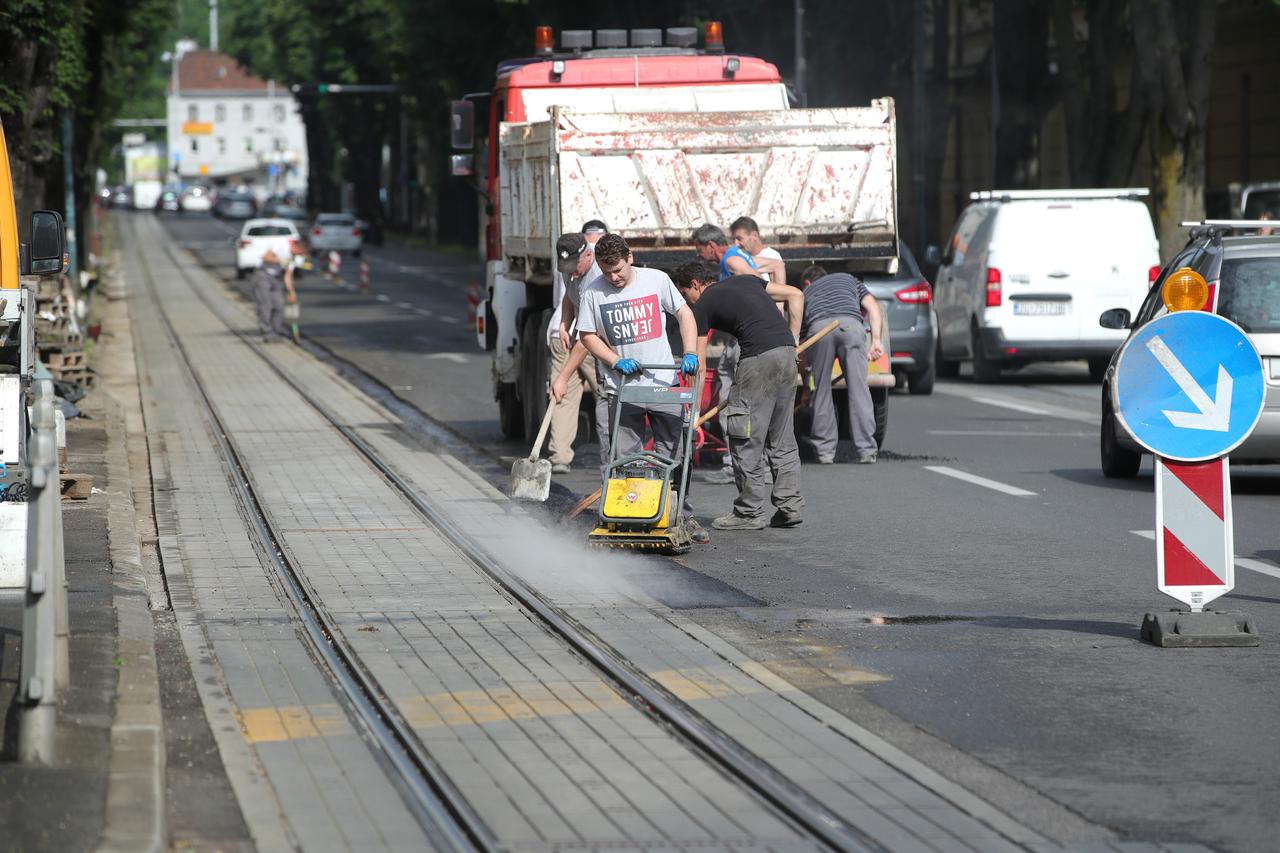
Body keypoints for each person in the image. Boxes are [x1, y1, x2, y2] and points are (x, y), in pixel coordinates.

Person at [576, 234, 708, 544]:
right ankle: (629, 514)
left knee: (675, 453)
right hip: (623, 388)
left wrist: (689, 351)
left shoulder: (656, 280)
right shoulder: (594, 293)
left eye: (618, 270)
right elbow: (587, 334)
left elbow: (684, 313)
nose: (614, 277)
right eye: (607, 271)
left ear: (630, 258)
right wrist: (613, 360)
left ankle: (680, 515)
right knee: (625, 457)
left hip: (664, 383)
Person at [673, 260, 805, 531]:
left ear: (695, 285)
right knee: (782, 437)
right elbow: (796, 294)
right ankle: (789, 506)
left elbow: (698, 361)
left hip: (757, 359)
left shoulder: (703, 306)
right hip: (785, 354)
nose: (688, 301)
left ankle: (748, 512)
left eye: (686, 294)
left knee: (743, 434)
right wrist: (794, 341)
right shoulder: (748, 280)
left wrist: (694, 409)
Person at [797, 265, 884, 464]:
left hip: (819, 330)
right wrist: (876, 340)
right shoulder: (849, 278)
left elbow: (802, 348)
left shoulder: (806, 292)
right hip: (850, 326)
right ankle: (866, 451)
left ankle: (825, 452)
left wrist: (806, 386)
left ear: (808, 283)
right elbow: (872, 307)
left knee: (821, 391)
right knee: (858, 389)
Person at [545, 233, 600, 473]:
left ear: (589, 254)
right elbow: (569, 293)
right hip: (573, 339)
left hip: (597, 344)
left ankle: (621, 455)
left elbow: (588, 340)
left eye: (576, 267)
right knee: (562, 395)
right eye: (567, 268)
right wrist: (565, 323)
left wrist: (563, 377)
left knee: (610, 396)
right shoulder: (572, 270)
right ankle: (559, 455)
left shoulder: (598, 277)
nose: (572, 273)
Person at [692, 222, 786, 283]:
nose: (698, 254)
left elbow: (762, 286)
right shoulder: (736, 257)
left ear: (711, 246)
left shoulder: (733, 261)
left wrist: (778, 307)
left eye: (699, 250)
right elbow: (777, 265)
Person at [253, 248, 295, 342]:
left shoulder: (292, 259)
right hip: (263, 275)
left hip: (276, 278)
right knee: (265, 304)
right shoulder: (282, 247)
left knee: (278, 305)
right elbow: (264, 257)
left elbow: (287, 277)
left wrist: (291, 292)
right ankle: (267, 331)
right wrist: (279, 260)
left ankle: (277, 329)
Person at [729, 216, 784, 283]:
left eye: (739, 239)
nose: (736, 244)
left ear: (754, 235)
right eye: (733, 240)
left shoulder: (771, 256)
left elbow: (780, 290)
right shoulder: (739, 256)